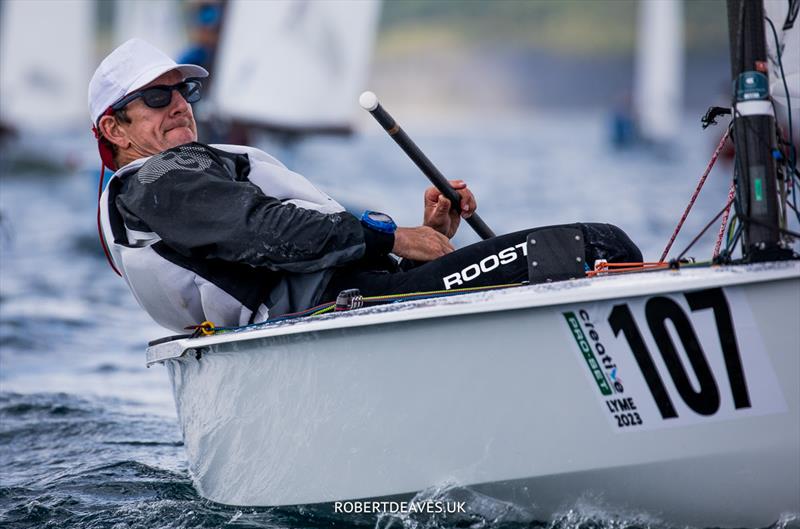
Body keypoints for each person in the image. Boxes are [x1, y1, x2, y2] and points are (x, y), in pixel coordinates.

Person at [92, 39, 641, 333]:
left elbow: (285, 256)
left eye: (184, 90)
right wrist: (395, 239)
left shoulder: (177, 177)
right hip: (338, 314)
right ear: (115, 129)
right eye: (159, 98)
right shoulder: (159, 178)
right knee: (595, 247)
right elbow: (261, 232)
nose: (182, 105)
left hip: (349, 305)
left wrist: (424, 238)